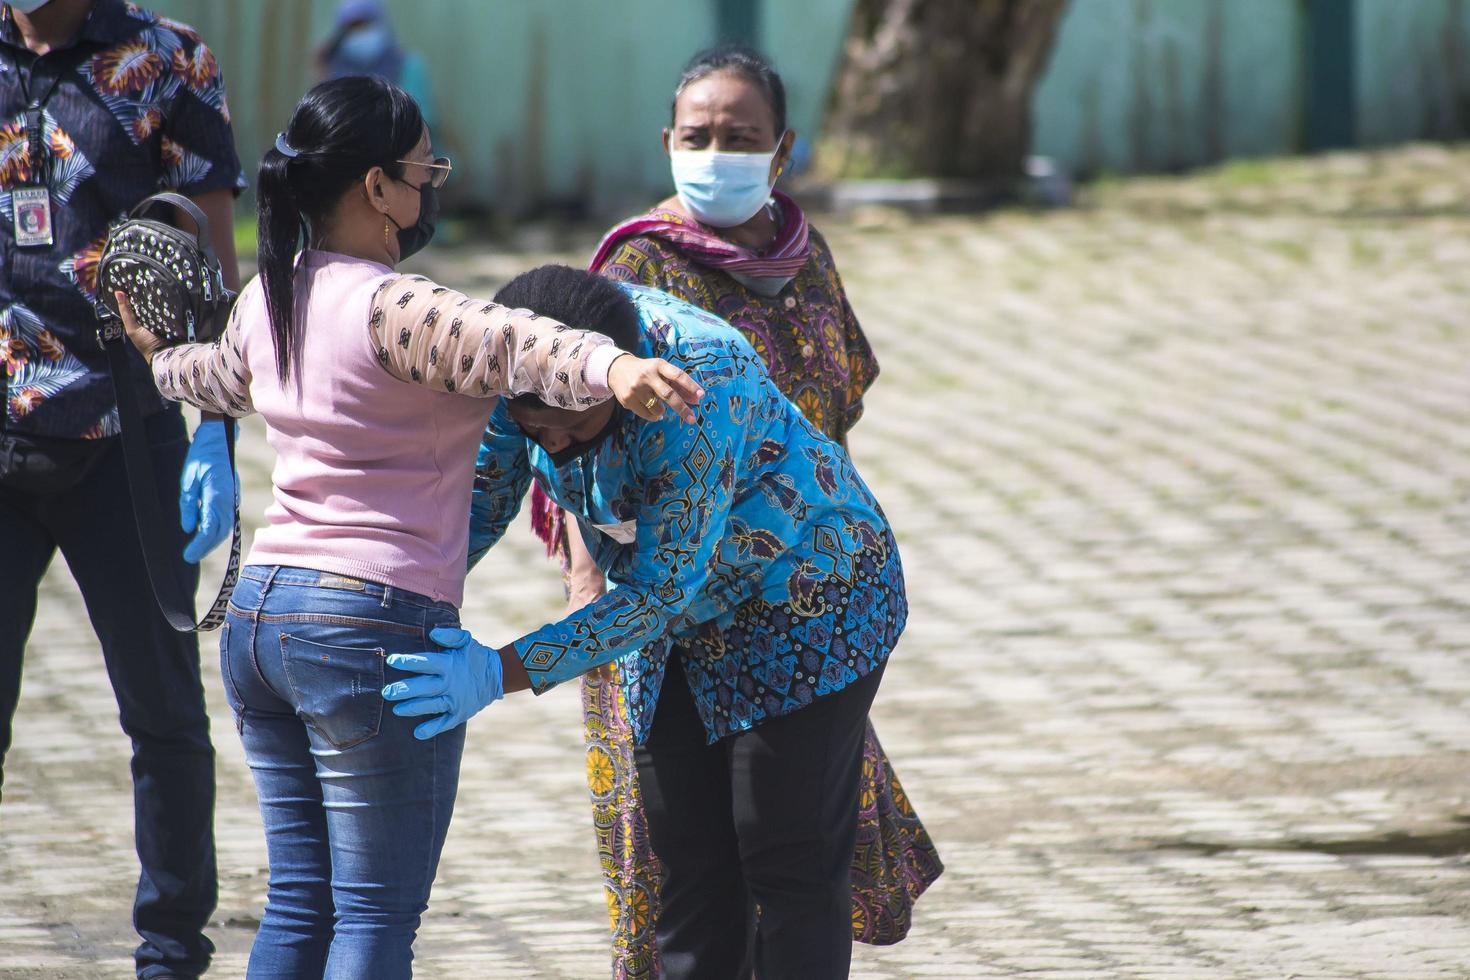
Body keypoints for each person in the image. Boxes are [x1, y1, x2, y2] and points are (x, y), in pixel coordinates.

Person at [114, 76, 702, 979]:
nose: (432, 185)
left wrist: (155, 354)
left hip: (262, 623)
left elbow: (201, 379)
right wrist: (614, 366)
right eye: (424, 168)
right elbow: (510, 339)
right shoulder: (395, 307)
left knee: (301, 901)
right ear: (377, 188)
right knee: (377, 920)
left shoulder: (272, 299)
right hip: (367, 629)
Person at [530, 44, 943, 974]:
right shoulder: (637, 267)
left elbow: (835, 418)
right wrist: (588, 605)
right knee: (691, 872)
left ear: (782, 150)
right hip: (666, 610)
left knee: (794, 856)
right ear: (667, 142)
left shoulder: (808, 260)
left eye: (740, 136)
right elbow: (562, 454)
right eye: (698, 135)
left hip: (795, 595)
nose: (717, 151)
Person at [385, 265, 909, 980]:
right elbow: (478, 507)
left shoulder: (694, 389)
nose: (557, 445)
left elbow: (656, 596)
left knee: (785, 853)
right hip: (679, 617)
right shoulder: (520, 366)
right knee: (688, 854)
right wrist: (405, 600)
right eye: (538, 427)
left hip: (809, 593)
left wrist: (496, 672)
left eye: (574, 428)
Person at [0, 1, 243, 976]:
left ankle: (171, 943)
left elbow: (213, 248)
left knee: (164, 712)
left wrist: (218, 429)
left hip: (130, 436)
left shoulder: (166, 57)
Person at [317, 0, 433, 129]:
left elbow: (420, 119)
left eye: (365, 25)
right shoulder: (335, 68)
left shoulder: (407, 65)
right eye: (353, 27)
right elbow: (327, 117)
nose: (360, 33)